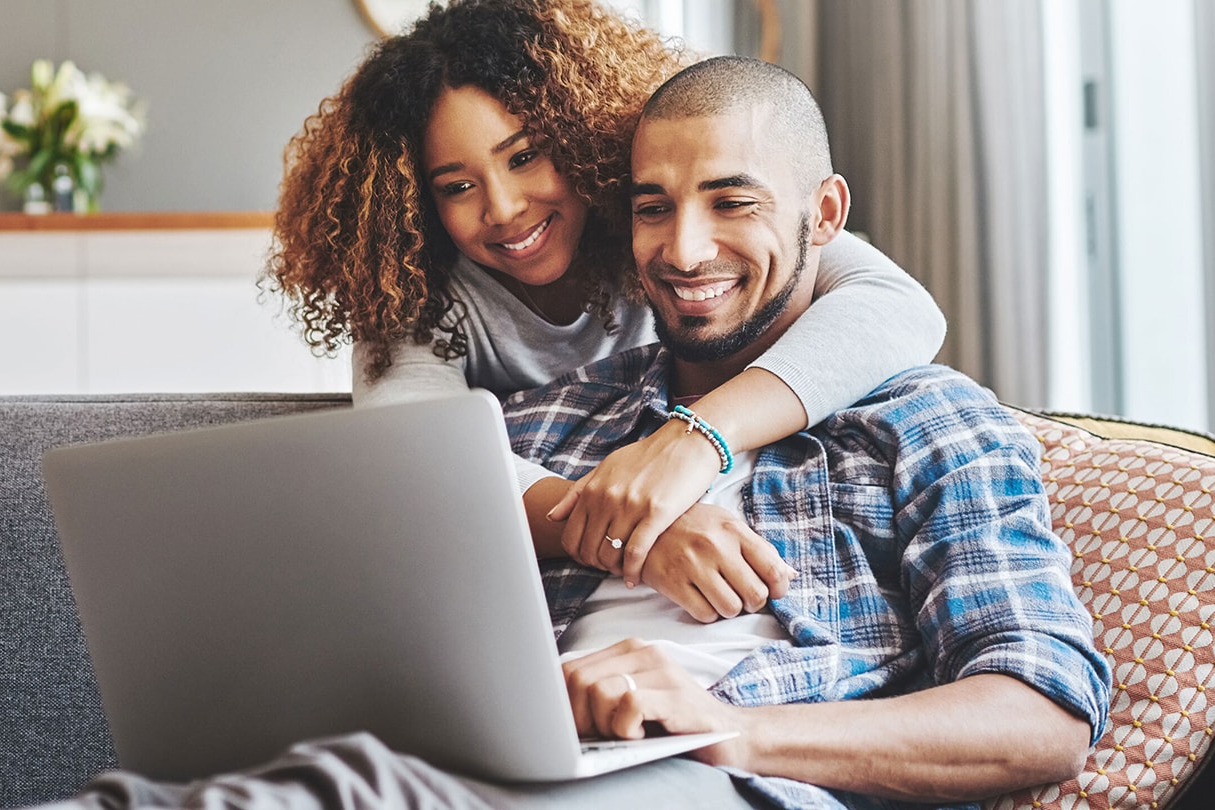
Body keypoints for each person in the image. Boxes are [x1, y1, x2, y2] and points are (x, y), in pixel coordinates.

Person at [47, 55, 1108, 810]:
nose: (684, 248)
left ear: (823, 215)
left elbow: (1043, 713)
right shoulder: (541, 419)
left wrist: (721, 725)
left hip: (717, 775)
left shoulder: (926, 419)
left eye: (729, 202)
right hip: (473, 765)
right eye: (653, 207)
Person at [265, 0, 946, 618]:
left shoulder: (664, 233)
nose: (503, 208)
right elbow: (413, 460)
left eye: (526, 156)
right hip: (552, 579)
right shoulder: (417, 299)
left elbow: (899, 307)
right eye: (457, 185)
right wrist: (632, 533)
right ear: (414, 201)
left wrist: (696, 438)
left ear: (585, 136)